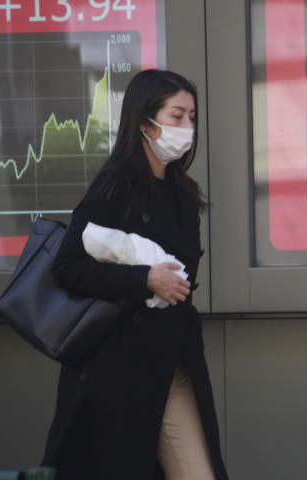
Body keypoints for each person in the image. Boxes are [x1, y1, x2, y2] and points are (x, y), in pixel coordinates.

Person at [41, 69, 229, 480]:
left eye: (192, 117)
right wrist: (143, 279)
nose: (187, 128)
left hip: (171, 359)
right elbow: (68, 267)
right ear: (145, 123)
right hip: (119, 371)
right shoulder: (116, 186)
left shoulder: (182, 192)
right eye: (177, 116)